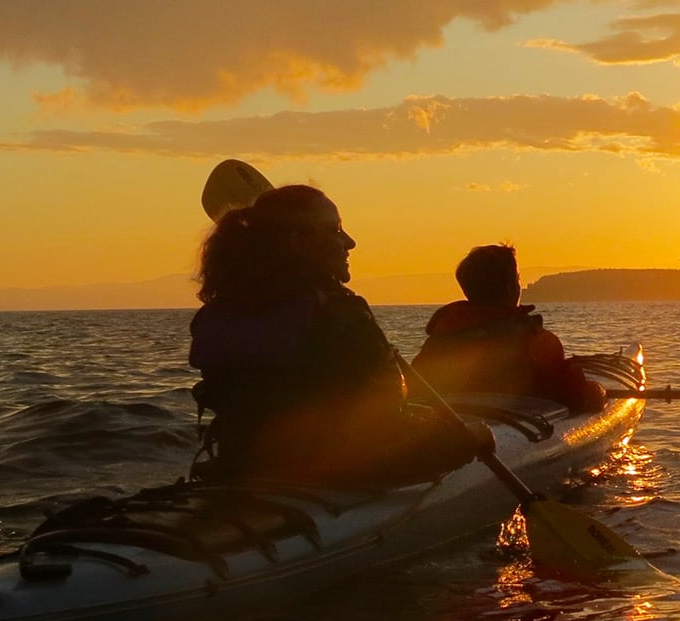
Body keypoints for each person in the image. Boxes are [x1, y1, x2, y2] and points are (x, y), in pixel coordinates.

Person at [188, 184, 487, 485]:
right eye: (335, 230)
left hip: (242, 466)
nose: (349, 242)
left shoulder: (219, 312)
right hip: (339, 472)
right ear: (298, 242)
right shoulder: (340, 315)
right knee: (475, 435)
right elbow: (384, 429)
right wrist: (463, 440)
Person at [411, 244, 606, 413]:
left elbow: (415, 389)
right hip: (513, 435)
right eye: (518, 279)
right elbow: (578, 394)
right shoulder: (536, 341)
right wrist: (599, 391)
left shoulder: (439, 339)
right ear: (511, 286)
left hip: (460, 423)